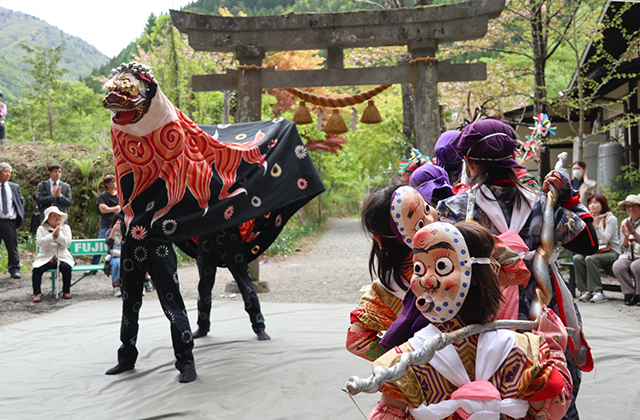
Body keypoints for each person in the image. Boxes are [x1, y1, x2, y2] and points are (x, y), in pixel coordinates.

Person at [435, 119, 597, 420]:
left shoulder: (452, 211)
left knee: (485, 400)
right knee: (552, 395)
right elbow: (589, 243)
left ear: (469, 164)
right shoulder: (543, 206)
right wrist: (568, 197)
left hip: (481, 320)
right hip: (543, 318)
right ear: (513, 161)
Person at [362, 222, 572, 420]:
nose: (425, 279)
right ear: (488, 279)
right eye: (419, 269)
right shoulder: (525, 352)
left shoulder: (404, 362)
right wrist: (554, 349)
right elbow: (552, 411)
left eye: (441, 266)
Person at [177, 224, 271, 341]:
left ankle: (259, 326)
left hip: (229, 233)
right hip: (206, 233)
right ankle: (203, 325)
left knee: (244, 282)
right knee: (204, 286)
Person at [574, 194, 619, 303]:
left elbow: (605, 240)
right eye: (590, 203)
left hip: (611, 251)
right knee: (577, 258)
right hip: (595, 250)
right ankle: (584, 291)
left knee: (591, 259)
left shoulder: (610, 218)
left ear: (603, 204)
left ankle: (597, 291)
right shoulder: (587, 218)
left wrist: (595, 226)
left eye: (595, 202)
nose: (592, 205)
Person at [31, 207, 74, 302]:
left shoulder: (66, 228)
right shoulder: (41, 229)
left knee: (66, 267)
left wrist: (58, 236)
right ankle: (37, 293)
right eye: (54, 216)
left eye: (59, 216)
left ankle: (66, 291)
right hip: (46, 257)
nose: (57, 218)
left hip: (62, 256)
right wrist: (51, 236)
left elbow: (66, 243)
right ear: (48, 218)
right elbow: (40, 243)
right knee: (37, 270)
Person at [612, 194, 640, 306]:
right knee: (618, 265)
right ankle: (629, 293)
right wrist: (626, 239)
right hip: (629, 255)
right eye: (628, 207)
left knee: (636, 266)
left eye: (634, 206)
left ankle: (639, 294)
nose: (631, 209)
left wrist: (633, 233)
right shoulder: (625, 222)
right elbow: (622, 248)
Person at [0, 162, 25, 279]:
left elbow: (21, 201)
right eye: (6, 171)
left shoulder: (14, 187)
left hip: (9, 221)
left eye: (9, 172)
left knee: (12, 247)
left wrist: (19, 216)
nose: (8, 174)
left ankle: (14, 269)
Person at [91, 174, 120, 268]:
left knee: (118, 244)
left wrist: (110, 208)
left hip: (118, 223)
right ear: (107, 184)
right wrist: (115, 208)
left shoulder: (120, 195)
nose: (114, 183)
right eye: (111, 181)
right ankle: (93, 267)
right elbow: (103, 209)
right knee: (100, 245)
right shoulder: (102, 196)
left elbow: (122, 208)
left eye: (115, 181)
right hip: (105, 223)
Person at [105, 214, 123, 297]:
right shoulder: (109, 231)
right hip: (114, 255)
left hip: (124, 254)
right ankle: (116, 286)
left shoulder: (126, 231)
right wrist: (113, 231)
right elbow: (108, 243)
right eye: (118, 222)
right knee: (117, 263)